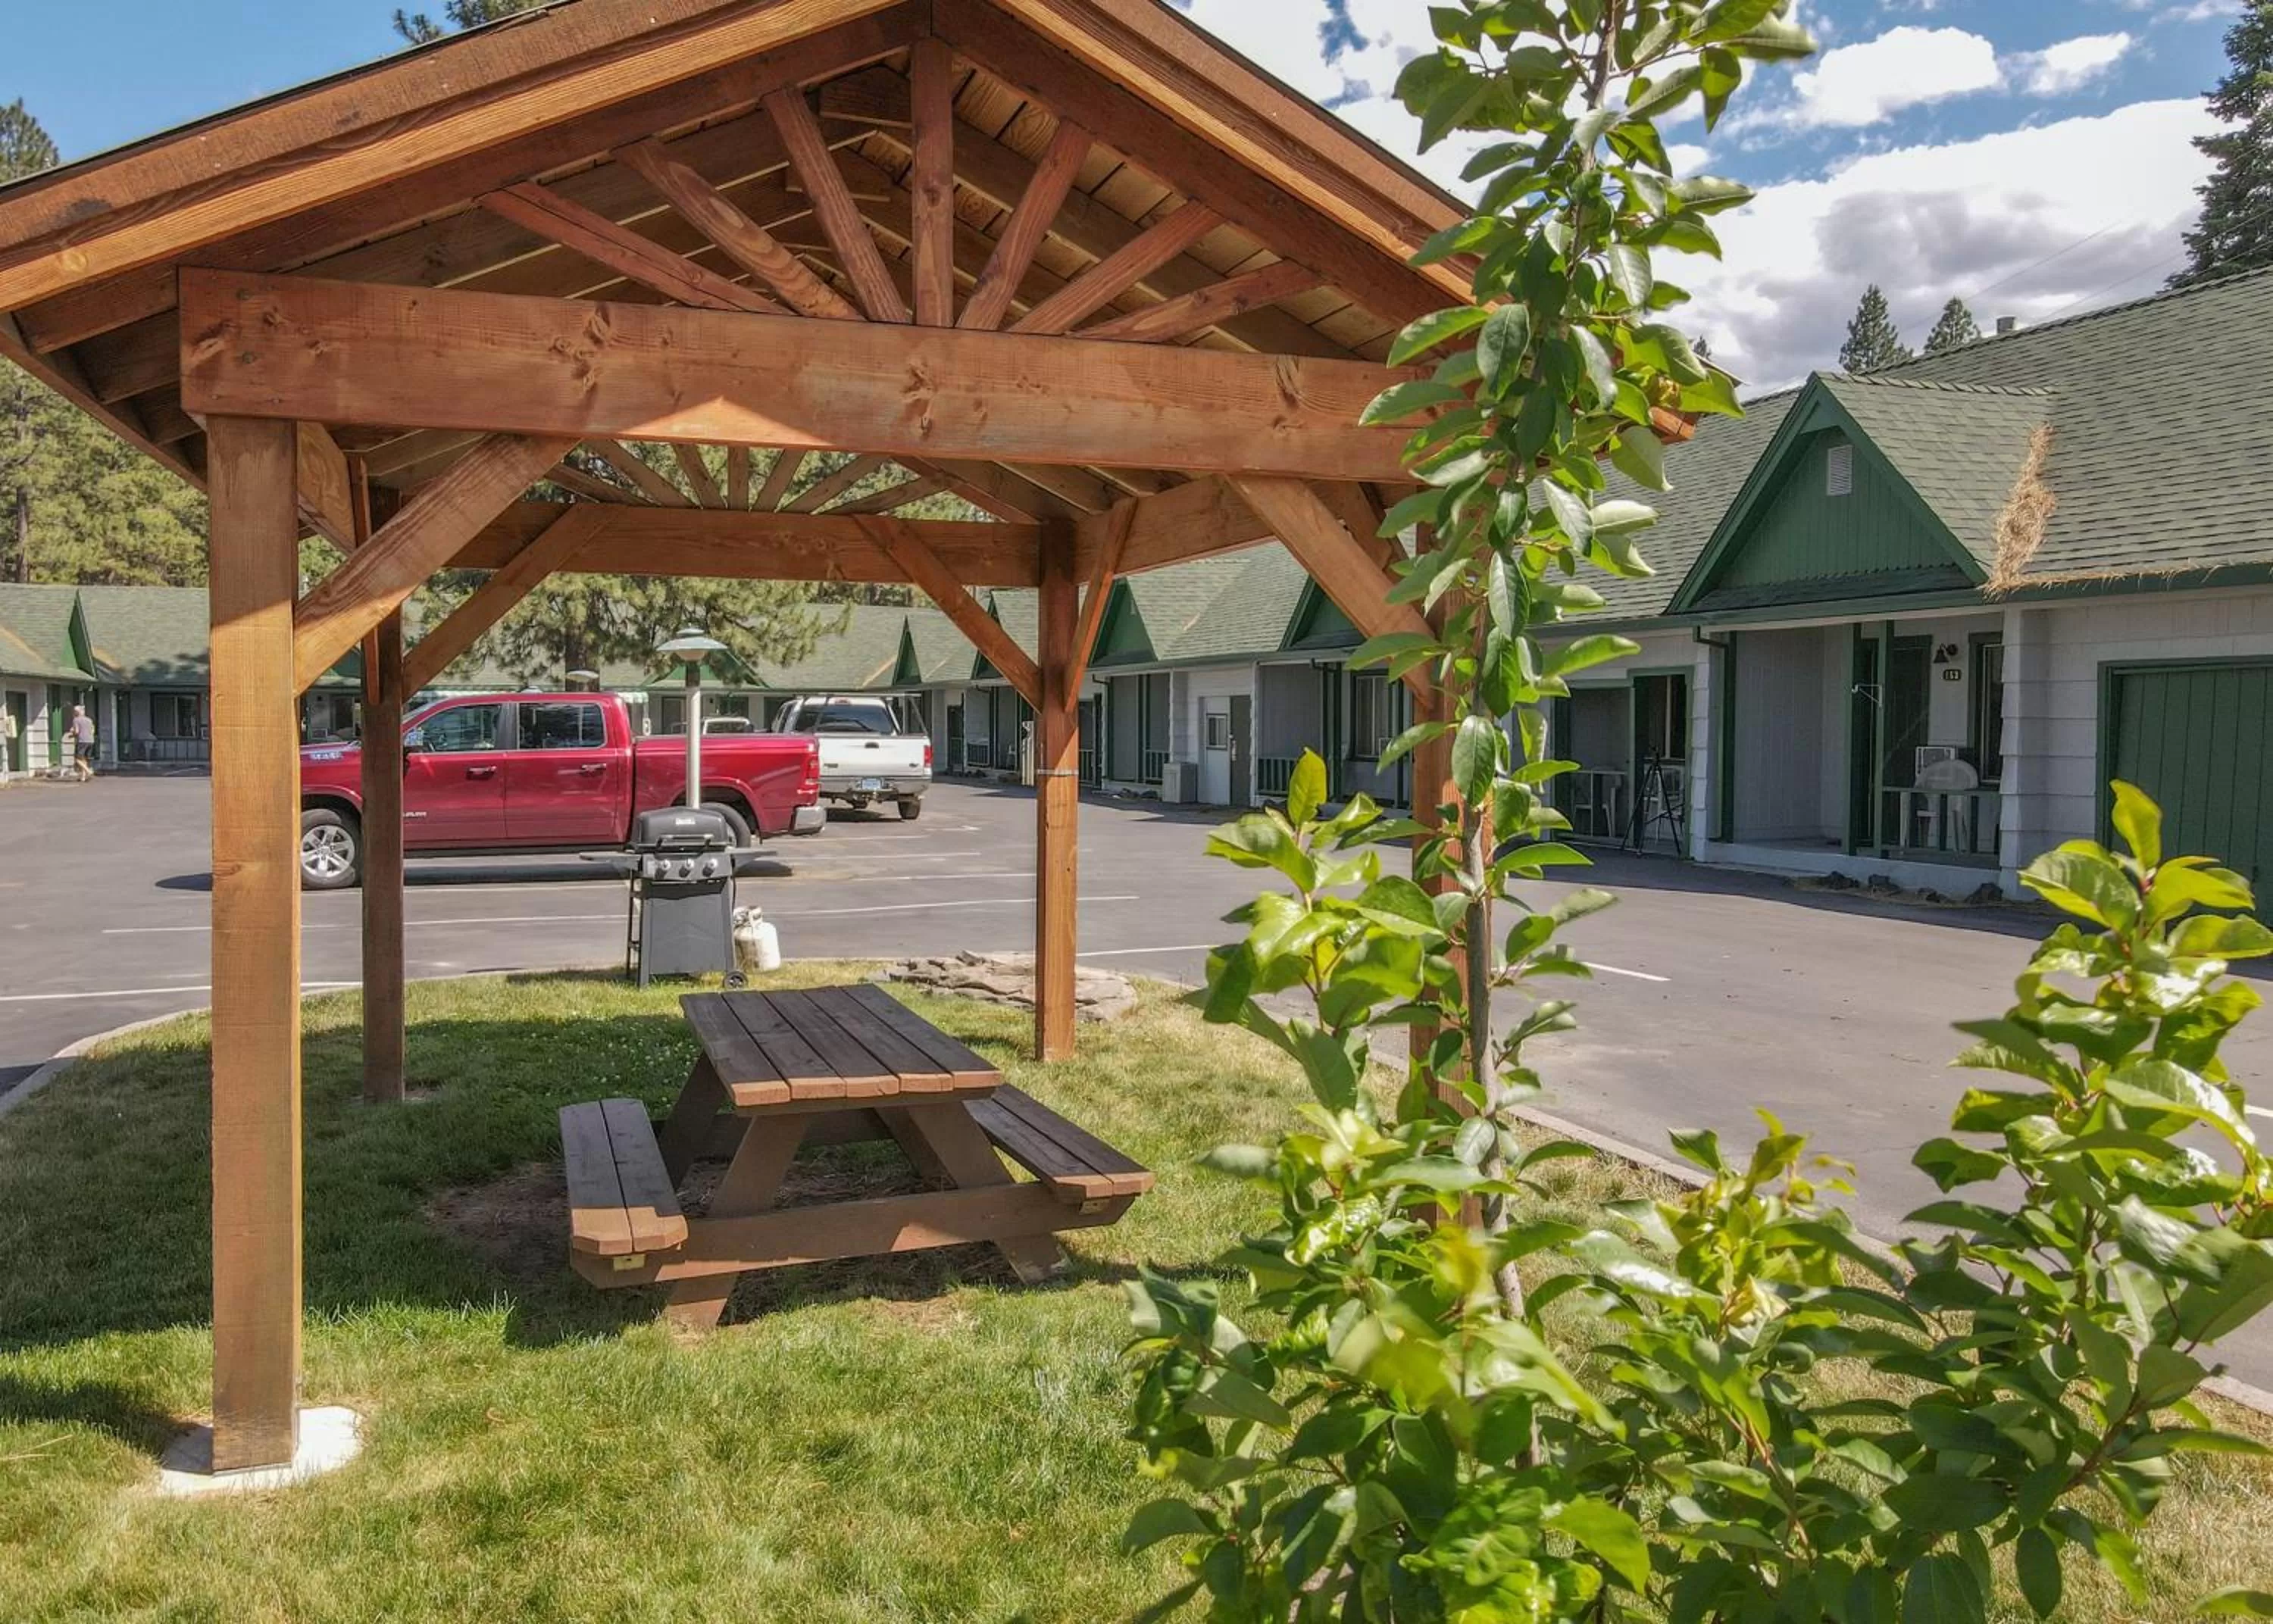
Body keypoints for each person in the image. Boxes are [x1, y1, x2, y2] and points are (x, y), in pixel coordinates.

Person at [70, 704, 95, 782]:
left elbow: (77, 731)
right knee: (84, 759)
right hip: (90, 740)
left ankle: (88, 771)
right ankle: (83, 777)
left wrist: (72, 735)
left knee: (77, 759)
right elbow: (92, 730)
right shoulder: (89, 720)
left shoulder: (76, 720)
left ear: (77, 712)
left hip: (82, 741)